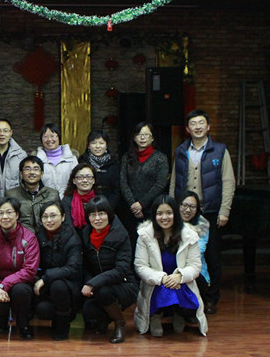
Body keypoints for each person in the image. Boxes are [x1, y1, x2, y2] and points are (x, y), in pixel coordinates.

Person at [169, 109, 235, 315]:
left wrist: (224, 210)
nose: (197, 127)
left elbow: (228, 181)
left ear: (208, 127)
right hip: (184, 212)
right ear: (187, 129)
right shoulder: (181, 151)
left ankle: (211, 298)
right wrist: (172, 209)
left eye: (201, 123)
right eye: (193, 124)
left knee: (212, 256)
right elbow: (174, 181)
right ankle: (185, 296)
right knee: (183, 252)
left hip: (211, 210)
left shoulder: (220, 151)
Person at [134, 195, 208, 337]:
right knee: (158, 290)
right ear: (154, 215)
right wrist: (161, 278)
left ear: (175, 213)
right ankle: (154, 316)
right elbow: (140, 266)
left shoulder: (189, 234)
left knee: (190, 295)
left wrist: (179, 276)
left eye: (169, 213)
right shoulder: (144, 235)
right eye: (159, 213)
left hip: (180, 282)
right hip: (156, 282)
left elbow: (195, 265)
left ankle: (179, 314)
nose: (164, 217)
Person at [79, 196, 138, 344]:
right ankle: (104, 319)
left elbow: (121, 269)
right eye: (93, 215)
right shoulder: (86, 234)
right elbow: (85, 266)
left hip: (124, 283)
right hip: (99, 284)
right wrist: (89, 283)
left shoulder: (121, 234)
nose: (97, 219)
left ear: (109, 214)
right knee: (88, 309)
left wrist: (93, 283)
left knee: (103, 292)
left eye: (101, 214)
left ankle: (120, 323)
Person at [0, 197, 39, 339]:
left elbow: (30, 270)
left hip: (20, 283)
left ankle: (23, 326)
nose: (5, 217)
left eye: (9, 212)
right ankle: (1, 323)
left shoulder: (29, 238)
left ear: (17, 215)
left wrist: (5, 285)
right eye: (1, 213)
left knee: (20, 291)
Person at [33, 201, 82, 341]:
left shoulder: (72, 238)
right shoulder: (39, 236)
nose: (49, 220)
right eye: (45, 216)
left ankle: (63, 323)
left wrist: (46, 278)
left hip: (68, 286)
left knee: (58, 284)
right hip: (46, 285)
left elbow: (73, 268)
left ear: (63, 217)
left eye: (53, 216)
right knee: (42, 309)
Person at [120, 122, 169, 250]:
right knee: (131, 242)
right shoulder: (127, 157)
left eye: (146, 134)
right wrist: (133, 204)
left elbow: (161, 183)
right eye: (139, 134)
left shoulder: (160, 158)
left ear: (152, 138)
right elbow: (123, 182)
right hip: (130, 209)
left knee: (152, 243)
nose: (142, 138)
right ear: (134, 138)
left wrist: (141, 204)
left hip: (152, 209)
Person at [4, 156, 60, 233]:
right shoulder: (11, 195)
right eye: (27, 169)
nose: (32, 172)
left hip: (47, 236)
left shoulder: (53, 194)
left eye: (36, 169)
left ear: (42, 173)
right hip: (21, 236)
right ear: (21, 173)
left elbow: (58, 220)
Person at [178, 191, 210, 298]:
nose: (188, 210)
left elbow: (200, 250)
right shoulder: (170, 221)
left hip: (196, 271)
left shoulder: (202, 224)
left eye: (192, 207)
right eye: (184, 205)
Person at [78, 130, 120, 211]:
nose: (97, 146)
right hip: (86, 205)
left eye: (101, 143)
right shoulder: (82, 162)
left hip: (109, 205)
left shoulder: (114, 163)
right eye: (94, 143)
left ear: (106, 145)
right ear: (88, 145)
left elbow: (116, 189)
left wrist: (109, 208)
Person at [34, 123, 78, 193]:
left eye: (52, 136)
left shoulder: (71, 159)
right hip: (45, 198)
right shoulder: (36, 161)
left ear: (59, 137)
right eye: (45, 136)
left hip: (68, 198)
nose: (49, 139)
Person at [61, 163, 98, 233]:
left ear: (93, 180)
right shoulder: (67, 201)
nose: (85, 180)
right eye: (80, 177)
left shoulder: (100, 199)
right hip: (73, 236)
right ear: (74, 181)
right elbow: (68, 226)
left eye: (89, 177)